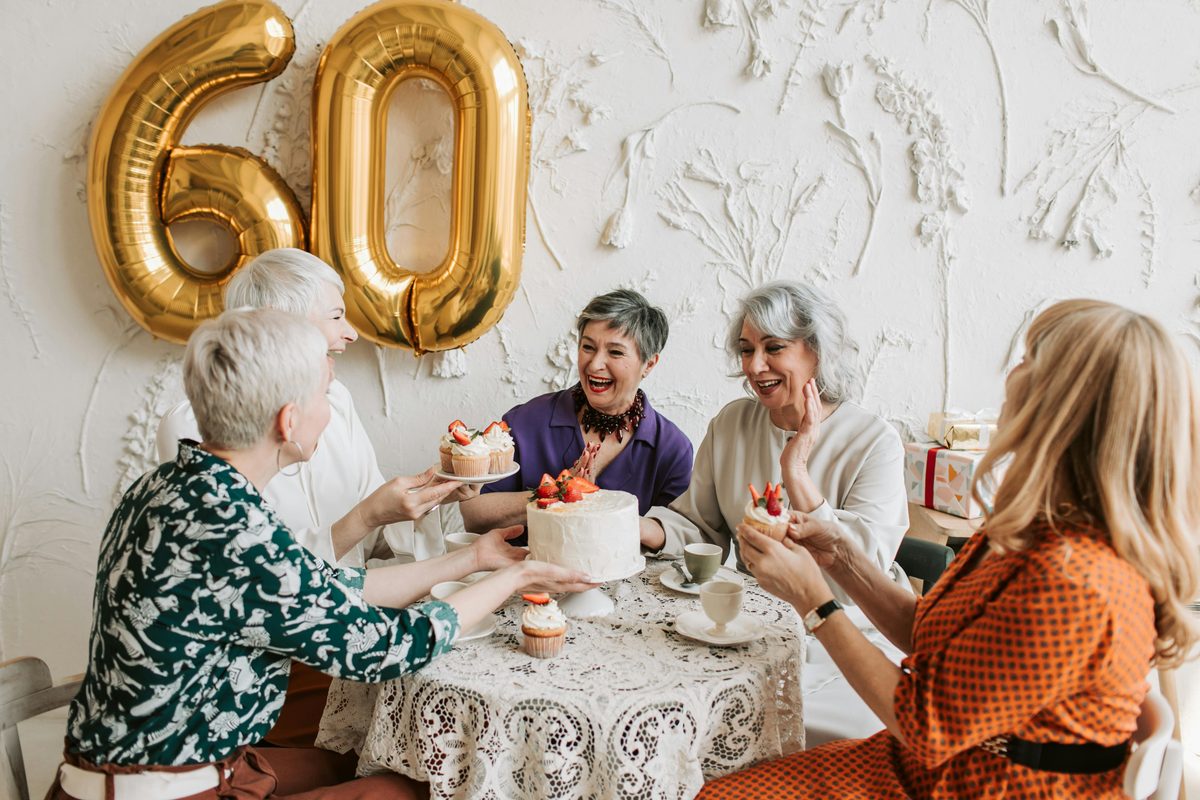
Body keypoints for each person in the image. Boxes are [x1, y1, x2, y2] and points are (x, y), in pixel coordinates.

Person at [50, 308, 595, 800]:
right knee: (406, 791)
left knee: (354, 762)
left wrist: (474, 560)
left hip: (116, 768)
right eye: (325, 394)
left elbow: (328, 589)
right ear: (288, 421)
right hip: (171, 789)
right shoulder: (238, 533)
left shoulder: (169, 486)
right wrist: (516, 576)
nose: (331, 412)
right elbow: (388, 647)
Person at [700, 299, 1200, 798]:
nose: (1011, 374)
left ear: (1068, 404)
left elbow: (926, 727)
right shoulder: (1035, 524)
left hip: (984, 784)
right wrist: (842, 557)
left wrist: (814, 599)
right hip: (926, 765)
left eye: (1030, 361)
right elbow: (930, 635)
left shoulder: (1075, 581)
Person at [156, 248, 474, 746]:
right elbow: (283, 582)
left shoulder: (335, 399)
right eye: (335, 316)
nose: (350, 333)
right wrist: (488, 571)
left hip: (333, 635)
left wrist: (439, 498)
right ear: (282, 330)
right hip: (269, 686)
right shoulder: (199, 432)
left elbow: (370, 541)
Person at [639, 280, 908, 599]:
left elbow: (865, 574)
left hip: (849, 623)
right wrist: (628, 526)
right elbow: (699, 529)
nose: (754, 366)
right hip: (758, 613)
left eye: (774, 347)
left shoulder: (874, 442)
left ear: (819, 351)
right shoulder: (731, 424)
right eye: (747, 350)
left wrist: (796, 472)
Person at [461, 289, 693, 531]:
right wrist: (553, 494)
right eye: (588, 347)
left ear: (649, 364)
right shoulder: (526, 422)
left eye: (615, 352)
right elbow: (474, 516)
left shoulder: (672, 449)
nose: (594, 364)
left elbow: (675, 541)